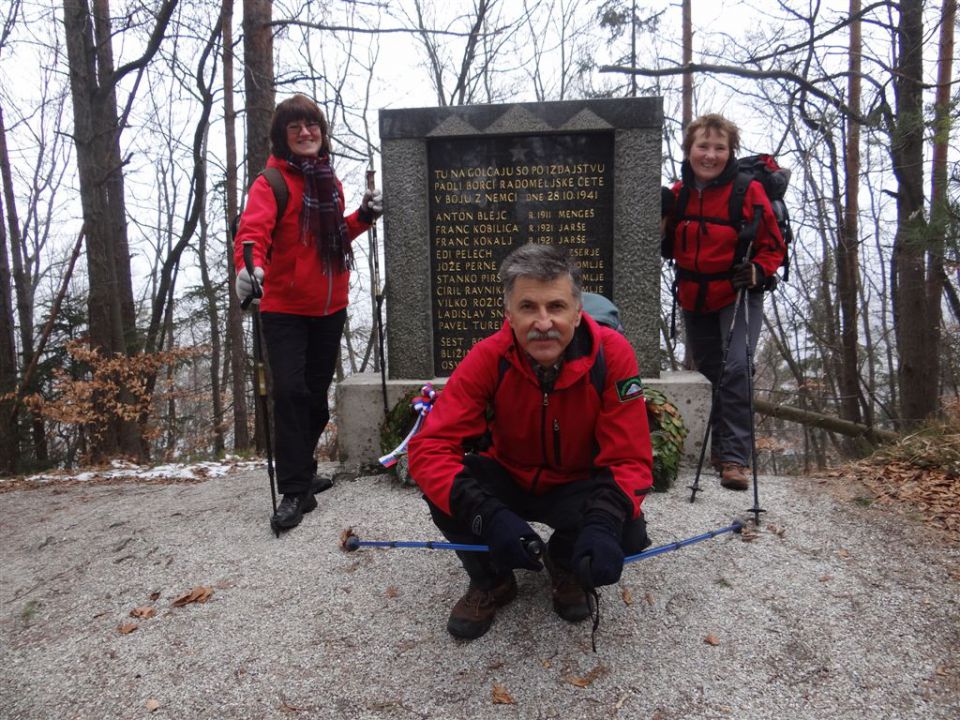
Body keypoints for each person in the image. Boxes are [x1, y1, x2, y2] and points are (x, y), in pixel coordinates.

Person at [408, 243, 653, 640]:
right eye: (528, 308)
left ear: (577, 311)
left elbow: (630, 457)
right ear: (509, 314)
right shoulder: (488, 357)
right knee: (450, 494)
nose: (543, 322)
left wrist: (603, 522)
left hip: (577, 482)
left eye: (555, 307)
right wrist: (486, 515)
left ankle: (563, 560)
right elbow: (430, 447)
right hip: (509, 475)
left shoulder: (614, 356)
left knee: (628, 532)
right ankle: (493, 580)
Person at [234, 94, 382, 533]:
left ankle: (302, 469)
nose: (304, 132)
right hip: (284, 310)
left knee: (316, 398)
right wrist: (249, 268)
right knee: (292, 395)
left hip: (329, 307)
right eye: (294, 127)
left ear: (321, 132)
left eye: (311, 125)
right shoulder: (271, 183)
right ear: (282, 136)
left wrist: (362, 217)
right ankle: (294, 488)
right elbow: (252, 233)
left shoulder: (326, 180)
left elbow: (332, 236)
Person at [662, 113, 785, 490]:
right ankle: (719, 451)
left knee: (736, 369)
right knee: (713, 372)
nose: (710, 155)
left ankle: (734, 458)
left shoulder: (747, 191)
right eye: (703, 146)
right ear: (689, 150)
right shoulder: (679, 193)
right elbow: (666, 245)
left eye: (719, 147)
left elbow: (773, 244)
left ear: (731, 151)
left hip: (737, 292)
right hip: (694, 294)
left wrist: (759, 271)